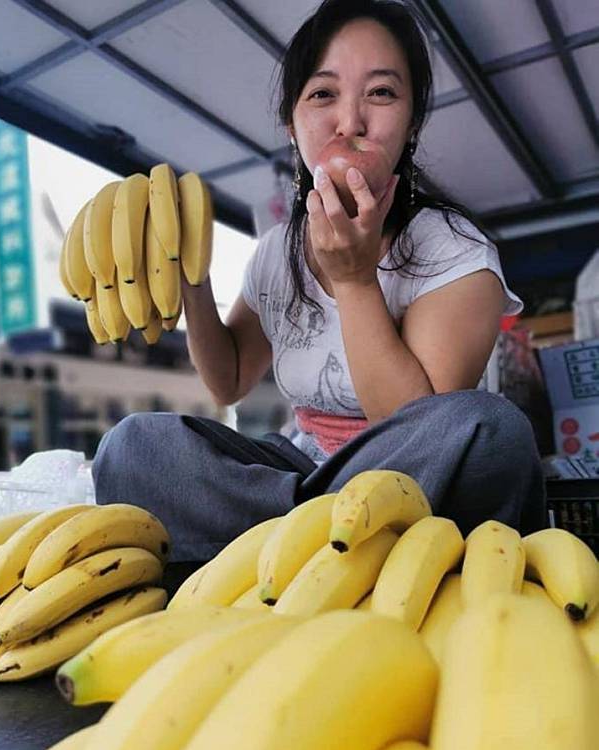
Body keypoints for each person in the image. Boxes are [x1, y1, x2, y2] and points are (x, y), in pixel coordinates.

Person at [92, 0, 547, 577]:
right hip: (302, 467)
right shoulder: (276, 251)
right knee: (133, 447)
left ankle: (274, 546)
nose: (349, 121)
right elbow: (228, 380)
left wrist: (355, 280)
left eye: (381, 94)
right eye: (323, 95)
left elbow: (420, 428)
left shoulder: (455, 249)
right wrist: (192, 280)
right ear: (293, 125)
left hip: (399, 480)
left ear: (410, 123)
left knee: (491, 433)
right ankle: (319, 536)